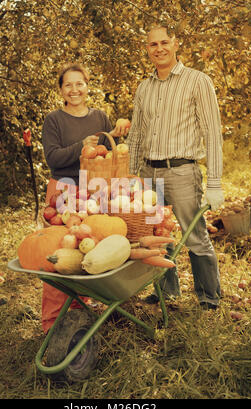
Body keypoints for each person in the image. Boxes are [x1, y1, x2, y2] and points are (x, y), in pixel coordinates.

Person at [126, 25, 224, 310]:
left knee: (194, 235)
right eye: (152, 45)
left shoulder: (197, 81)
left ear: (176, 44)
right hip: (148, 173)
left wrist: (215, 181)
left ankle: (208, 298)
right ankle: (166, 293)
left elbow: (212, 133)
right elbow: (136, 137)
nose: (159, 49)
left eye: (164, 42)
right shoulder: (144, 87)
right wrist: (133, 177)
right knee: (156, 237)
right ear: (147, 49)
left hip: (181, 170)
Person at [41, 63, 128, 333]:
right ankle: (53, 323)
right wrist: (81, 147)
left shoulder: (100, 117)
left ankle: (80, 313)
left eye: (80, 84)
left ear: (88, 86)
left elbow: (108, 150)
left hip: (94, 192)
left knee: (89, 253)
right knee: (60, 255)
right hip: (64, 191)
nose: (75, 89)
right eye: (68, 84)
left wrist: (119, 130)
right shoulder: (54, 120)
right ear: (61, 89)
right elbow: (52, 157)